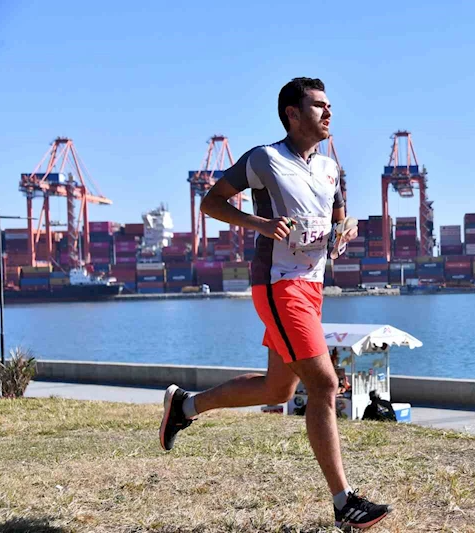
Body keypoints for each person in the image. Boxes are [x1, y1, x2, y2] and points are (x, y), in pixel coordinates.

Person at [158, 77, 391, 529]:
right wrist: (259, 224)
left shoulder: (330, 168)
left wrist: (344, 234)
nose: (329, 113)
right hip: (279, 285)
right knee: (324, 385)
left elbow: (338, 220)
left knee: (277, 390)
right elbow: (211, 202)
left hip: (313, 287)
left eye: (329, 105)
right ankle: (344, 503)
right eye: (319, 106)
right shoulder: (264, 159)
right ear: (292, 114)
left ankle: (184, 406)